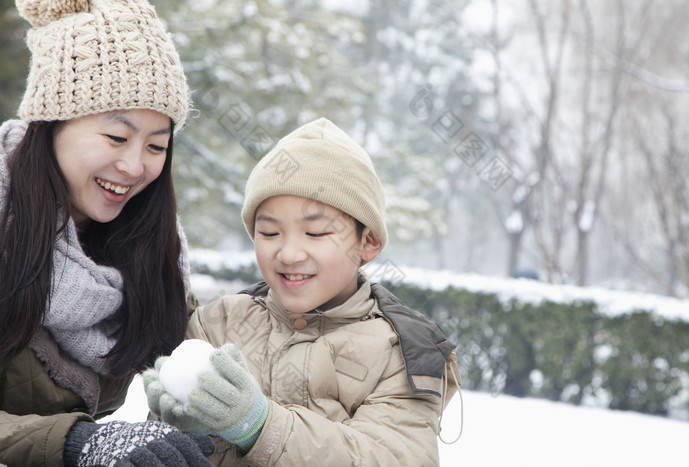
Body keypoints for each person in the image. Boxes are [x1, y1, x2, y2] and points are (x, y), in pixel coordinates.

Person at [144, 118, 462, 465]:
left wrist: (259, 425)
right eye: (269, 233)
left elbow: (393, 458)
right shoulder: (215, 324)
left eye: (316, 233)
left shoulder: (402, 353)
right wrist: (176, 431)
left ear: (367, 242)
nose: (289, 254)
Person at [0, 0, 214, 465]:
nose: (135, 167)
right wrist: (77, 442)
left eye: (157, 146)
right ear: (51, 124)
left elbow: (203, 342)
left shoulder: (147, 246)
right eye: (116, 138)